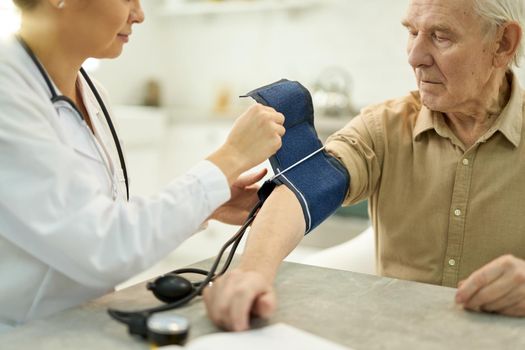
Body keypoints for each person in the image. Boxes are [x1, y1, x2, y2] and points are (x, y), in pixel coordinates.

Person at [203, 0, 525, 331]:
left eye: (441, 36)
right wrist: (253, 274)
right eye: (412, 32)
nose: (415, 56)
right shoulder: (385, 126)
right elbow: (309, 185)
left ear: (502, 44)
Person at [0, 0, 285, 330]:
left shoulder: (93, 94)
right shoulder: (7, 96)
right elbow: (103, 247)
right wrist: (230, 157)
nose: (139, 14)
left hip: (82, 324)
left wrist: (209, 204)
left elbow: (101, 216)